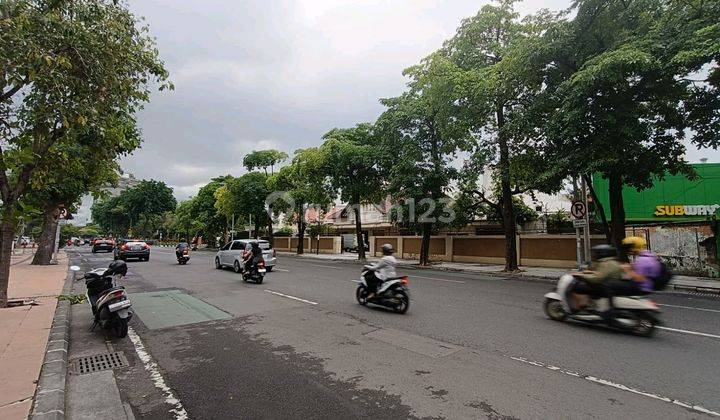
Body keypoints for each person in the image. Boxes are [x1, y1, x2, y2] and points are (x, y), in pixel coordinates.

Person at [569, 244, 622, 312]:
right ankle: (591, 304)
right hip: (609, 285)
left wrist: (581, 276)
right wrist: (589, 273)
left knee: (576, 288)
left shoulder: (606, 264)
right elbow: (603, 274)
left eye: (597, 253)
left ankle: (582, 307)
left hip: (603, 287)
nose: (595, 255)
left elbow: (596, 279)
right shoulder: (613, 262)